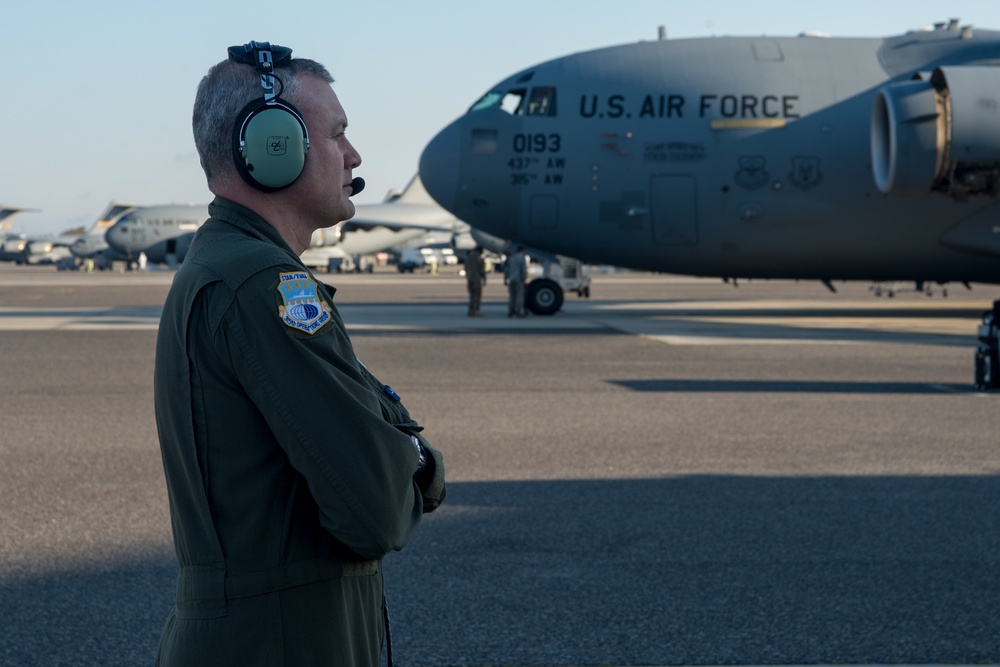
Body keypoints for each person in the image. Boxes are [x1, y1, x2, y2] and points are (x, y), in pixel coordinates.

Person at [153, 41, 445, 667]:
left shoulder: (231, 268)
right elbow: (378, 513)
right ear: (271, 146)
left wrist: (399, 455)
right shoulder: (264, 286)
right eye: (337, 132)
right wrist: (416, 456)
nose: (354, 154)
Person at [504, 244, 528, 317]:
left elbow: (506, 269)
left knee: (512, 296)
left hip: (511, 279)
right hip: (518, 279)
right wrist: (524, 278)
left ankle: (511, 310)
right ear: (522, 251)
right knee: (519, 296)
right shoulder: (521, 258)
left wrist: (506, 278)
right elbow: (523, 270)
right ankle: (519, 311)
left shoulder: (511, 258)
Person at [464, 246, 487, 316]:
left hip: (469, 278)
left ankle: (470, 310)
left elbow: (466, 268)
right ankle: (476, 310)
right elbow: (482, 270)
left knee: (471, 296)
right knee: (477, 296)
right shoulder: (479, 259)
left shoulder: (468, 258)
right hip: (476, 279)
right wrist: (484, 279)